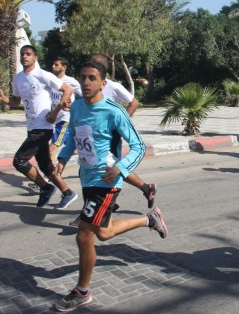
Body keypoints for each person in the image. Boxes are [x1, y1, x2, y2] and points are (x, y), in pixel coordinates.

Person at [52, 61, 167, 311]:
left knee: (84, 235)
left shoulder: (114, 111)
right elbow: (74, 136)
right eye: (83, 77)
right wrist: (62, 158)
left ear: (103, 83)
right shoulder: (78, 106)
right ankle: (150, 219)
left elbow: (138, 146)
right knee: (103, 233)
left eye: (92, 78)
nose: (86, 82)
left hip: (106, 181)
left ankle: (82, 291)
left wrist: (120, 169)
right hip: (87, 178)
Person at [0, 45, 78, 210]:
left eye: (28, 54)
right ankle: (68, 193)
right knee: (45, 164)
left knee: (19, 161)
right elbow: (16, 101)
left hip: (43, 126)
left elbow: (67, 90)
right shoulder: (18, 78)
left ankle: (45, 188)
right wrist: (4, 99)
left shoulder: (42, 75)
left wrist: (55, 112)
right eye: (22, 54)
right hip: (31, 126)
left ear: (35, 58)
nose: (24, 57)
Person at [87, 54, 156, 209]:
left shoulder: (113, 86)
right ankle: (144, 189)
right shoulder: (88, 84)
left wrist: (120, 124)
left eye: (93, 63)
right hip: (94, 135)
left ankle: (108, 202)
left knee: (109, 167)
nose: (89, 65)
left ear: (102, 68)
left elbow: (134, 102)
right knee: (93, 168)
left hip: (110, 136)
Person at [49, 57, 82, 165]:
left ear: (64, 67)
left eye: (56, 65)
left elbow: (85, 97)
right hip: (54, 119)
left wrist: (72, 106)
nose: (53, 66)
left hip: (65, 119)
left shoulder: (71, 81)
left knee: (51, 149)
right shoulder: (50, 80)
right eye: (53, 64)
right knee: (72, 147)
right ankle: (83, 150)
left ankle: (49, 174)